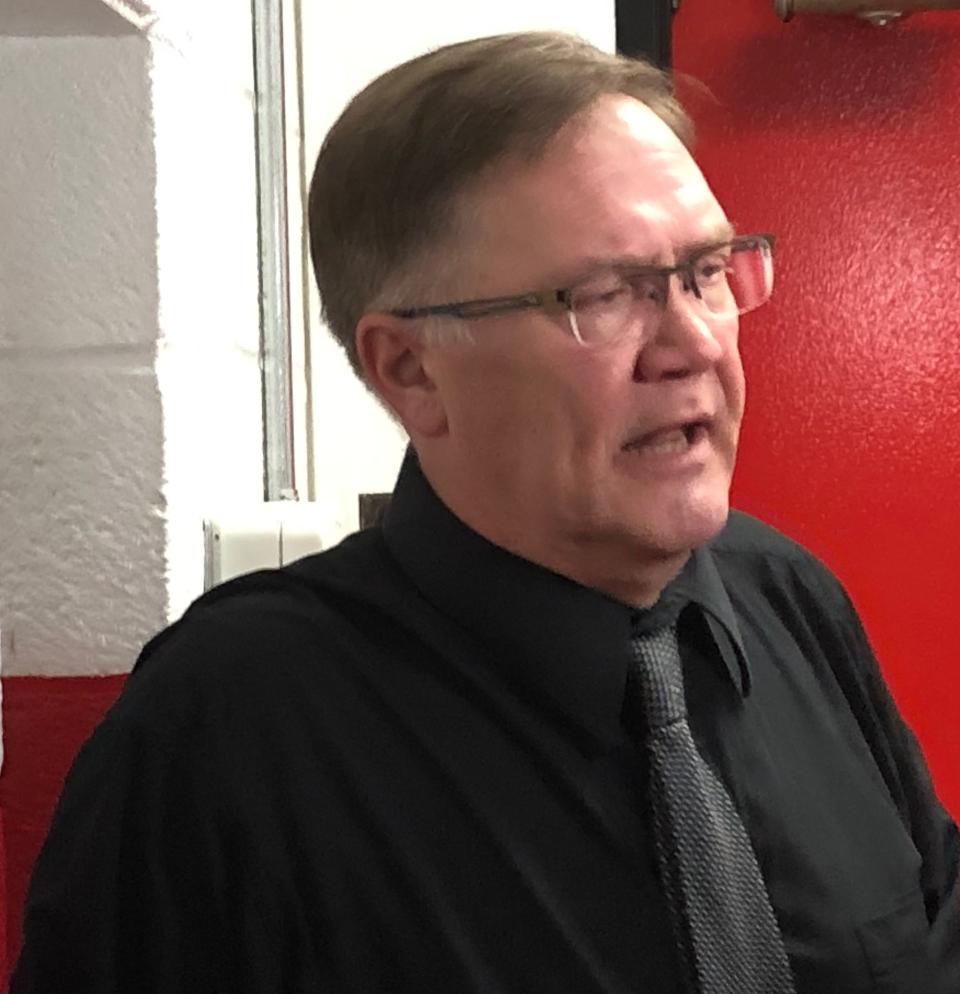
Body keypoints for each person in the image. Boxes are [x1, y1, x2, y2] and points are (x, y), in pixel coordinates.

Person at [11, 31, 959, 994]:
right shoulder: (229, 731)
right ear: (411, 369)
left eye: (707, 272)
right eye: (604, 294)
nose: (692, 346)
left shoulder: (790, 599)